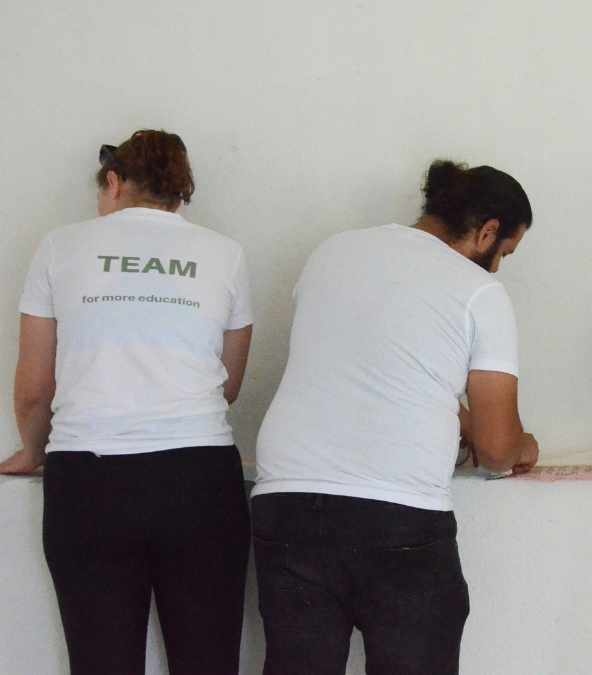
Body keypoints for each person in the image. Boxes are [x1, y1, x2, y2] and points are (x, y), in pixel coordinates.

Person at [251, 159, 539, 675]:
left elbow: (379, 368)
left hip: (286, 502)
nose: (497, 267)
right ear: (488, 231)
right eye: (504, 252)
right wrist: (524, 445)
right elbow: (498, 452)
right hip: (396, 515)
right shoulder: (479, 290)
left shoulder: (332, 252)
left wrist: (464, 422)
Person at [0, 130, 255, 675]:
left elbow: (35, 388)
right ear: (179, 194)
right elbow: (228, 383)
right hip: (199, 481)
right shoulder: (224, 253)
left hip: (89, 484)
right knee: (208, 663)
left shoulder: (60, 246)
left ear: (114, 182)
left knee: (101, 663)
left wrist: (32, 450)